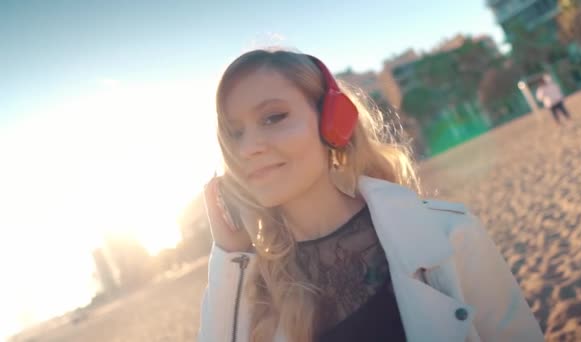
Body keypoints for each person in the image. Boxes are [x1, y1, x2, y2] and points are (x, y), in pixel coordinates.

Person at [198, 49, 544, 342]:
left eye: (273, 117)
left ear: (332, 120)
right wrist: (230, 258)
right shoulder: (249, 285)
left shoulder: (450, 234)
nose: (247, 148)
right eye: (235, 132)